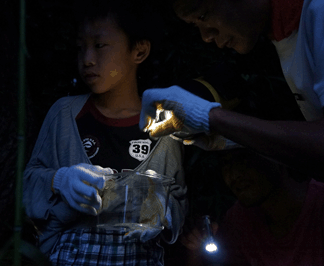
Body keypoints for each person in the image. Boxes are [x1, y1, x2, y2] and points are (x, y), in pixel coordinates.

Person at [22, 0, 188, 265]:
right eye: (81, 48)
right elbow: (28, 182)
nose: (87, 59)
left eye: (99, 46)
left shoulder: (165, 127)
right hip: (70, 256)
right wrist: (60, 179)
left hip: (139, 256)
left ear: (139, 50)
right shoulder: (64, 114)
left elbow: (178, 200)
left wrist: (163, 210)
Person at [139, 0, 324, 177]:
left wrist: (210, 117)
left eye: (203, 15)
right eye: (195, 25)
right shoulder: (285, 31)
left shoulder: (318, 11)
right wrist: (230, 136)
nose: (206, 36)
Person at [179, 148, 324, 265]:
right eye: (225, 163)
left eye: (243, 158)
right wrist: (195, 250)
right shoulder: (239, 219)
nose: (234, 174)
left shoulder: (318, 206)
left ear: (275, 156)